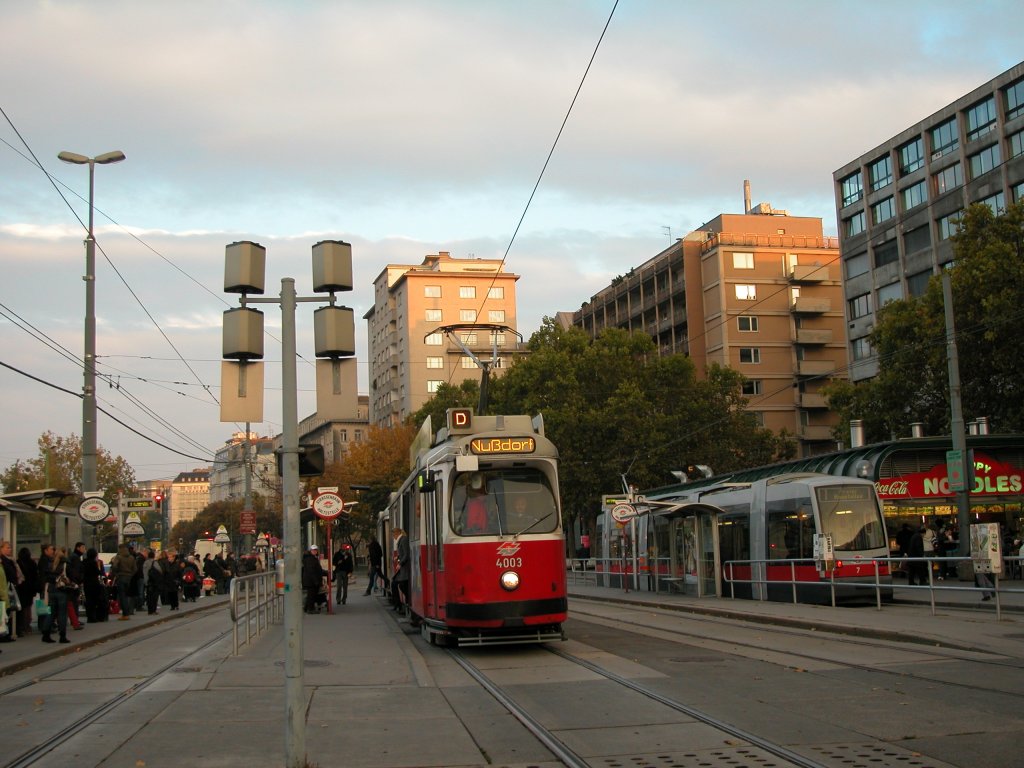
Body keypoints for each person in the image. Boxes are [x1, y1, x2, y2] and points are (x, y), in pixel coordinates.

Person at [41, 546, 70, 643]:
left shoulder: (50, 563)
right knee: (62, 613)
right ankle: (62, 636)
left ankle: (45, 634)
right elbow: (70, 576)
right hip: (61, 590)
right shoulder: (65, 563)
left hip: (51, 590)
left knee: (50, 613)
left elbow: (46, 576)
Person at [110, 543, 137, 619]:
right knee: (127, 595)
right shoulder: (131, 557)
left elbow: (114, 566)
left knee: (122, 596)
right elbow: (135, 569)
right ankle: (127, 612)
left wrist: (116, 574)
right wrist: (130, 575)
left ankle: (125, 614)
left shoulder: (118, 557)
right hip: (129, 578)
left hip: (121, 577)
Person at [16, 546, 38, 637]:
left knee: (22, 607)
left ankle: (22, 626)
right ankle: (27, 625)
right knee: (28, 606)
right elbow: (35, 576)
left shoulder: (18, 563)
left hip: (21, 588)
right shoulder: (32, 563)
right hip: (30, 588)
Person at [1, 540, 19, 644]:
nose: (10, 549)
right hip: (4, 589)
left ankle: (5, 634)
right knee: (4, 614)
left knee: (7, 613)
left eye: (10, 548)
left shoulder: (9, 560)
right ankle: (4, 635)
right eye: (7, 548)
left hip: (8, 588)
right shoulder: (3, 561)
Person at [82, 548, 107, 622]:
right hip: (94, 583)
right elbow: (98, 572)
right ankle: (97, 616)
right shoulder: (93, 562)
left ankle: (90, 617)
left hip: (86, 583)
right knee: (96, 600)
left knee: (89, 600)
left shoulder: (84, 562)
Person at [65, 541, 86, 630]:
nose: (84, 550)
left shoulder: (74, 557)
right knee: (74, 602)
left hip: (74, 582)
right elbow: (76, 571)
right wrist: (78, 581)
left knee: (73, 602)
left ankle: (75, 620)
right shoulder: (75, 558)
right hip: (74, 583)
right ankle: (75, 620)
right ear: (78, 548)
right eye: (83, 548)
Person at [301, 544, 325, 614]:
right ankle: (310, 609)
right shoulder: (310, 559)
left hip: (310, 580)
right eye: (313, 550)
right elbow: (311, 571)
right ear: (310, 550)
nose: (315, 551)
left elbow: (316, 569)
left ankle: (307, 607)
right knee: (312, 595)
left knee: (310, 595)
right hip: (311, 581)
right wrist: (316, 581)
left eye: (316, 550)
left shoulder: (312, 558)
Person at [391, 528, 410, 613]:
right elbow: (402, 553)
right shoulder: (401, 540)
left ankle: (405, 602)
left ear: (397, 533)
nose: (393, 537)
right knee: (395, 583)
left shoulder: (403, 540)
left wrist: (400, 563)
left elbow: (406, 554)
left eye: (393, 535)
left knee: (401, 585)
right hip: (402, 567)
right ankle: (398, 604)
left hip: (405, 568)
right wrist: (398, 557)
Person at [144, 549, 163, 614]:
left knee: (149, 596)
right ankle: (153, 610)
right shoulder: (154, 562)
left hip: (148, 582)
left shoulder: (145, 563)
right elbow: (160, 570)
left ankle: (149, 610)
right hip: (154, 582)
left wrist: (146, 581)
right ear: (153, 556)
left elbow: (144, 572)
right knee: (154, 596)